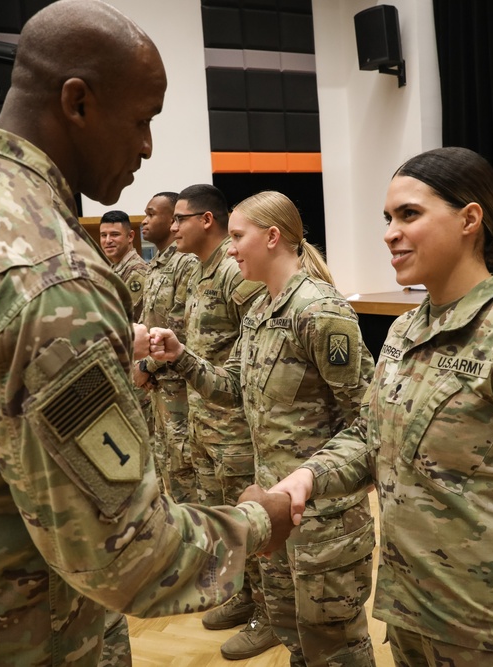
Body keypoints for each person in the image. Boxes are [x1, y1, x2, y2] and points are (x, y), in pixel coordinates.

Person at [0, 2, 293, 665]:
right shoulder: (54, 278)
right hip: (1, 636)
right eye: (141, 121)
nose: (147, 147)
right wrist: (259, 522)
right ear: (77, 102)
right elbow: (130, 554)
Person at [269, 147, 493, 667]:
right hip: (410, 615)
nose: (390, 232)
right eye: (388, 218)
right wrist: (308, 476)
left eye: (409, 214)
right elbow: (371, 435)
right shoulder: (405, 330)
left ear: (469, 220)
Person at [150, 191, 378, 666]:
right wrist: (180, 356)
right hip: (272, 511)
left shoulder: (319, 312)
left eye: (237, 236)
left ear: (273, 237)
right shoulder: (258, 312)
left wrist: (320, 480)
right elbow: (232, 386)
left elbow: (369, 420)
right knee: (294, 638)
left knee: (336, 650)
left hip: (324, 520)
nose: (230, 249)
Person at [168, 184, 277, 660]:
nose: (173, 227)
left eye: (179, 218)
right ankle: (245, 597)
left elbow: (259, 345)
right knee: (225, 520)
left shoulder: (236, 274)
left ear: (205, 220)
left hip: (234, 427)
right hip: (205, 421)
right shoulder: (199, 271)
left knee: (251, 522)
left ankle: (270, 617)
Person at [133, 191, 199, 502]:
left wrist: (146, 365)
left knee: (186, 470)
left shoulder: (185, 263)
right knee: (168, 465)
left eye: (151, 214)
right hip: (160, 387)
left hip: (180, 385)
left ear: (172, 220)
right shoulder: (157, 265)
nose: (144, 221)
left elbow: (181, 328)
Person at [100, 209, 148, 321]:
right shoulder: (114, 268)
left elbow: (123, 318)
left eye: (114, 234)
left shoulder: (137, 271)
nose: (108, 240)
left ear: (130, 236)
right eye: (103, 235)